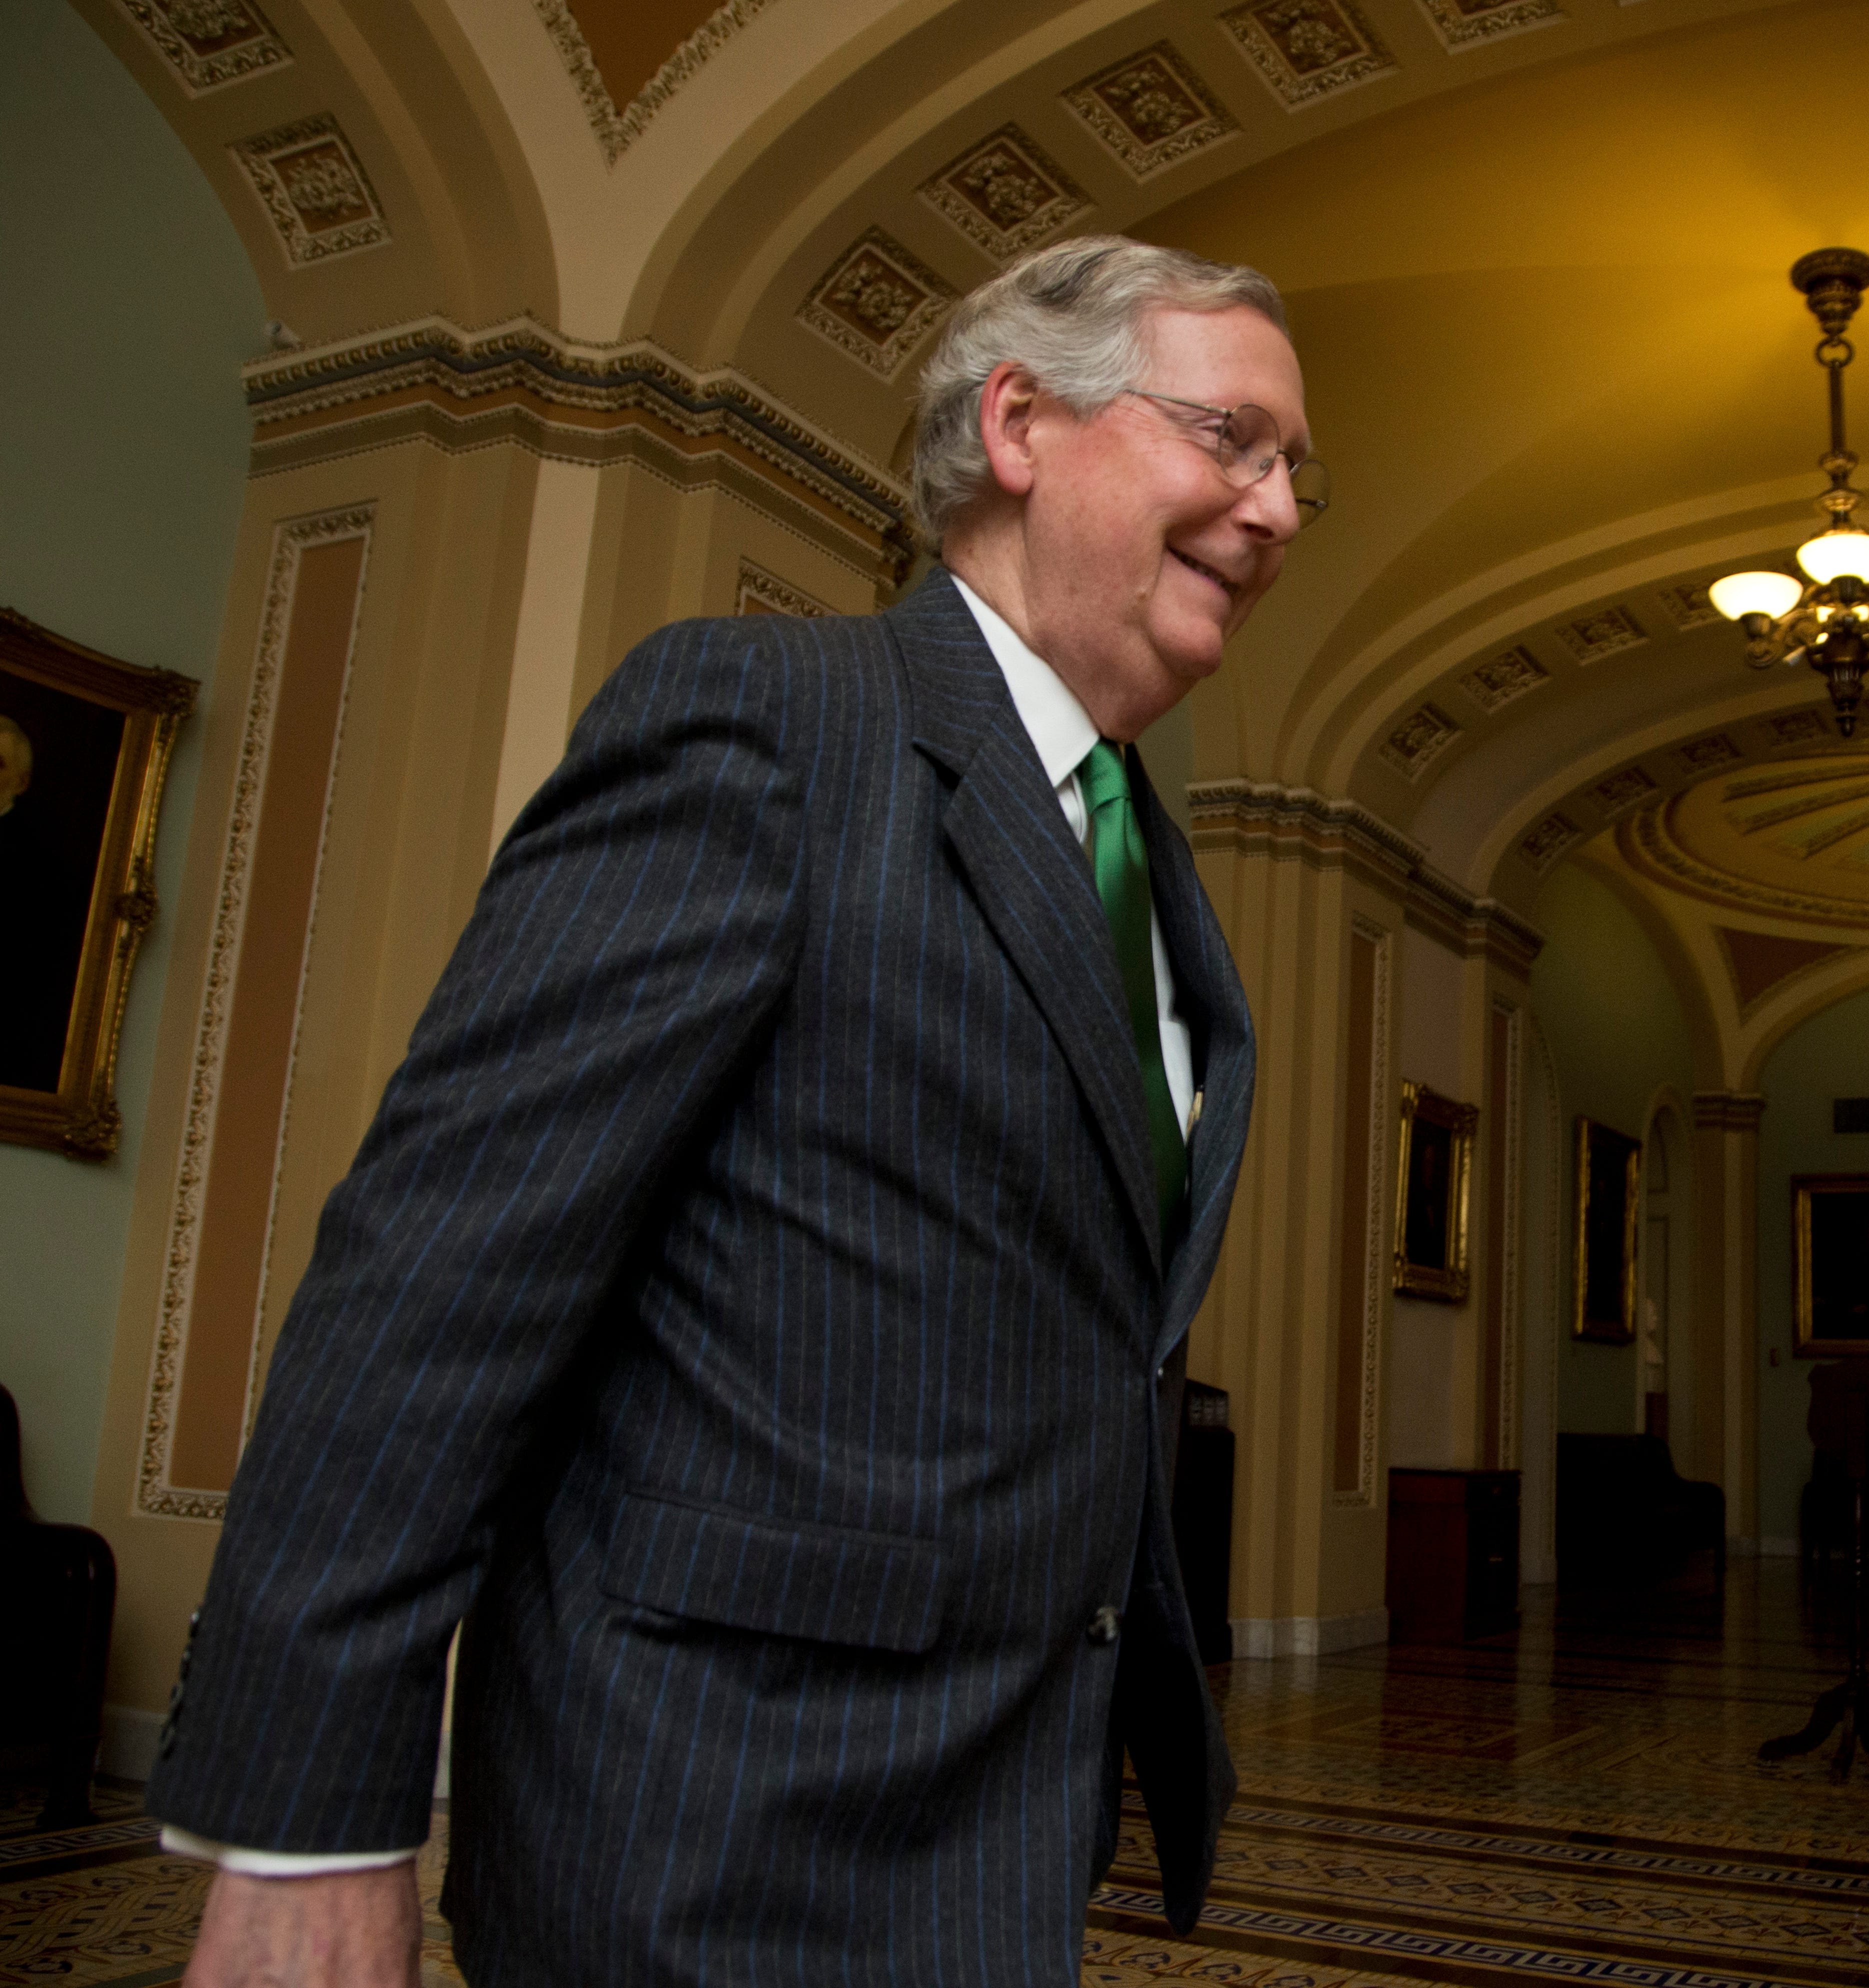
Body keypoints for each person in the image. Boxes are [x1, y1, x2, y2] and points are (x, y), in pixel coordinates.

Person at [148, 234, 1324, 1988]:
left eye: (1299, 468)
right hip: (709, 1831)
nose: (1282, 507)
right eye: (1232, 436)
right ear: (1020, 421)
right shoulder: (773, 723)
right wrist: (308, 1813)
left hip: (1005, 1819)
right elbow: (438, 1276)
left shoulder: (1142, 858)